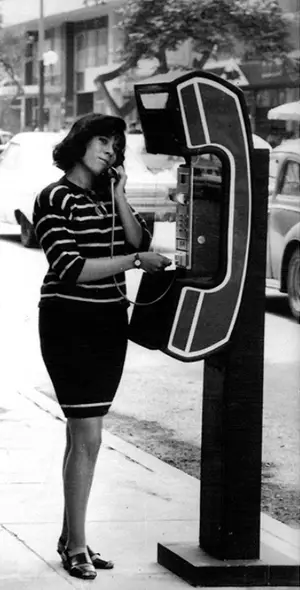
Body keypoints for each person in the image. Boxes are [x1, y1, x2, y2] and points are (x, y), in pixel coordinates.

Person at [33, 113, 172, 580]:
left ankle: (73, 535)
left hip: (110, 322)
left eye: (116, 145)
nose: (110, 151)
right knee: (87, 435)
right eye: (102, 141)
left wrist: (119, 194)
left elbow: (141, 239)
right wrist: (133, 260)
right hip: (69, 323)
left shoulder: (106, 198)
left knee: (83, 434)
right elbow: (70, 266)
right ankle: (75, 545)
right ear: (79, 142)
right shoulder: (53, 197)